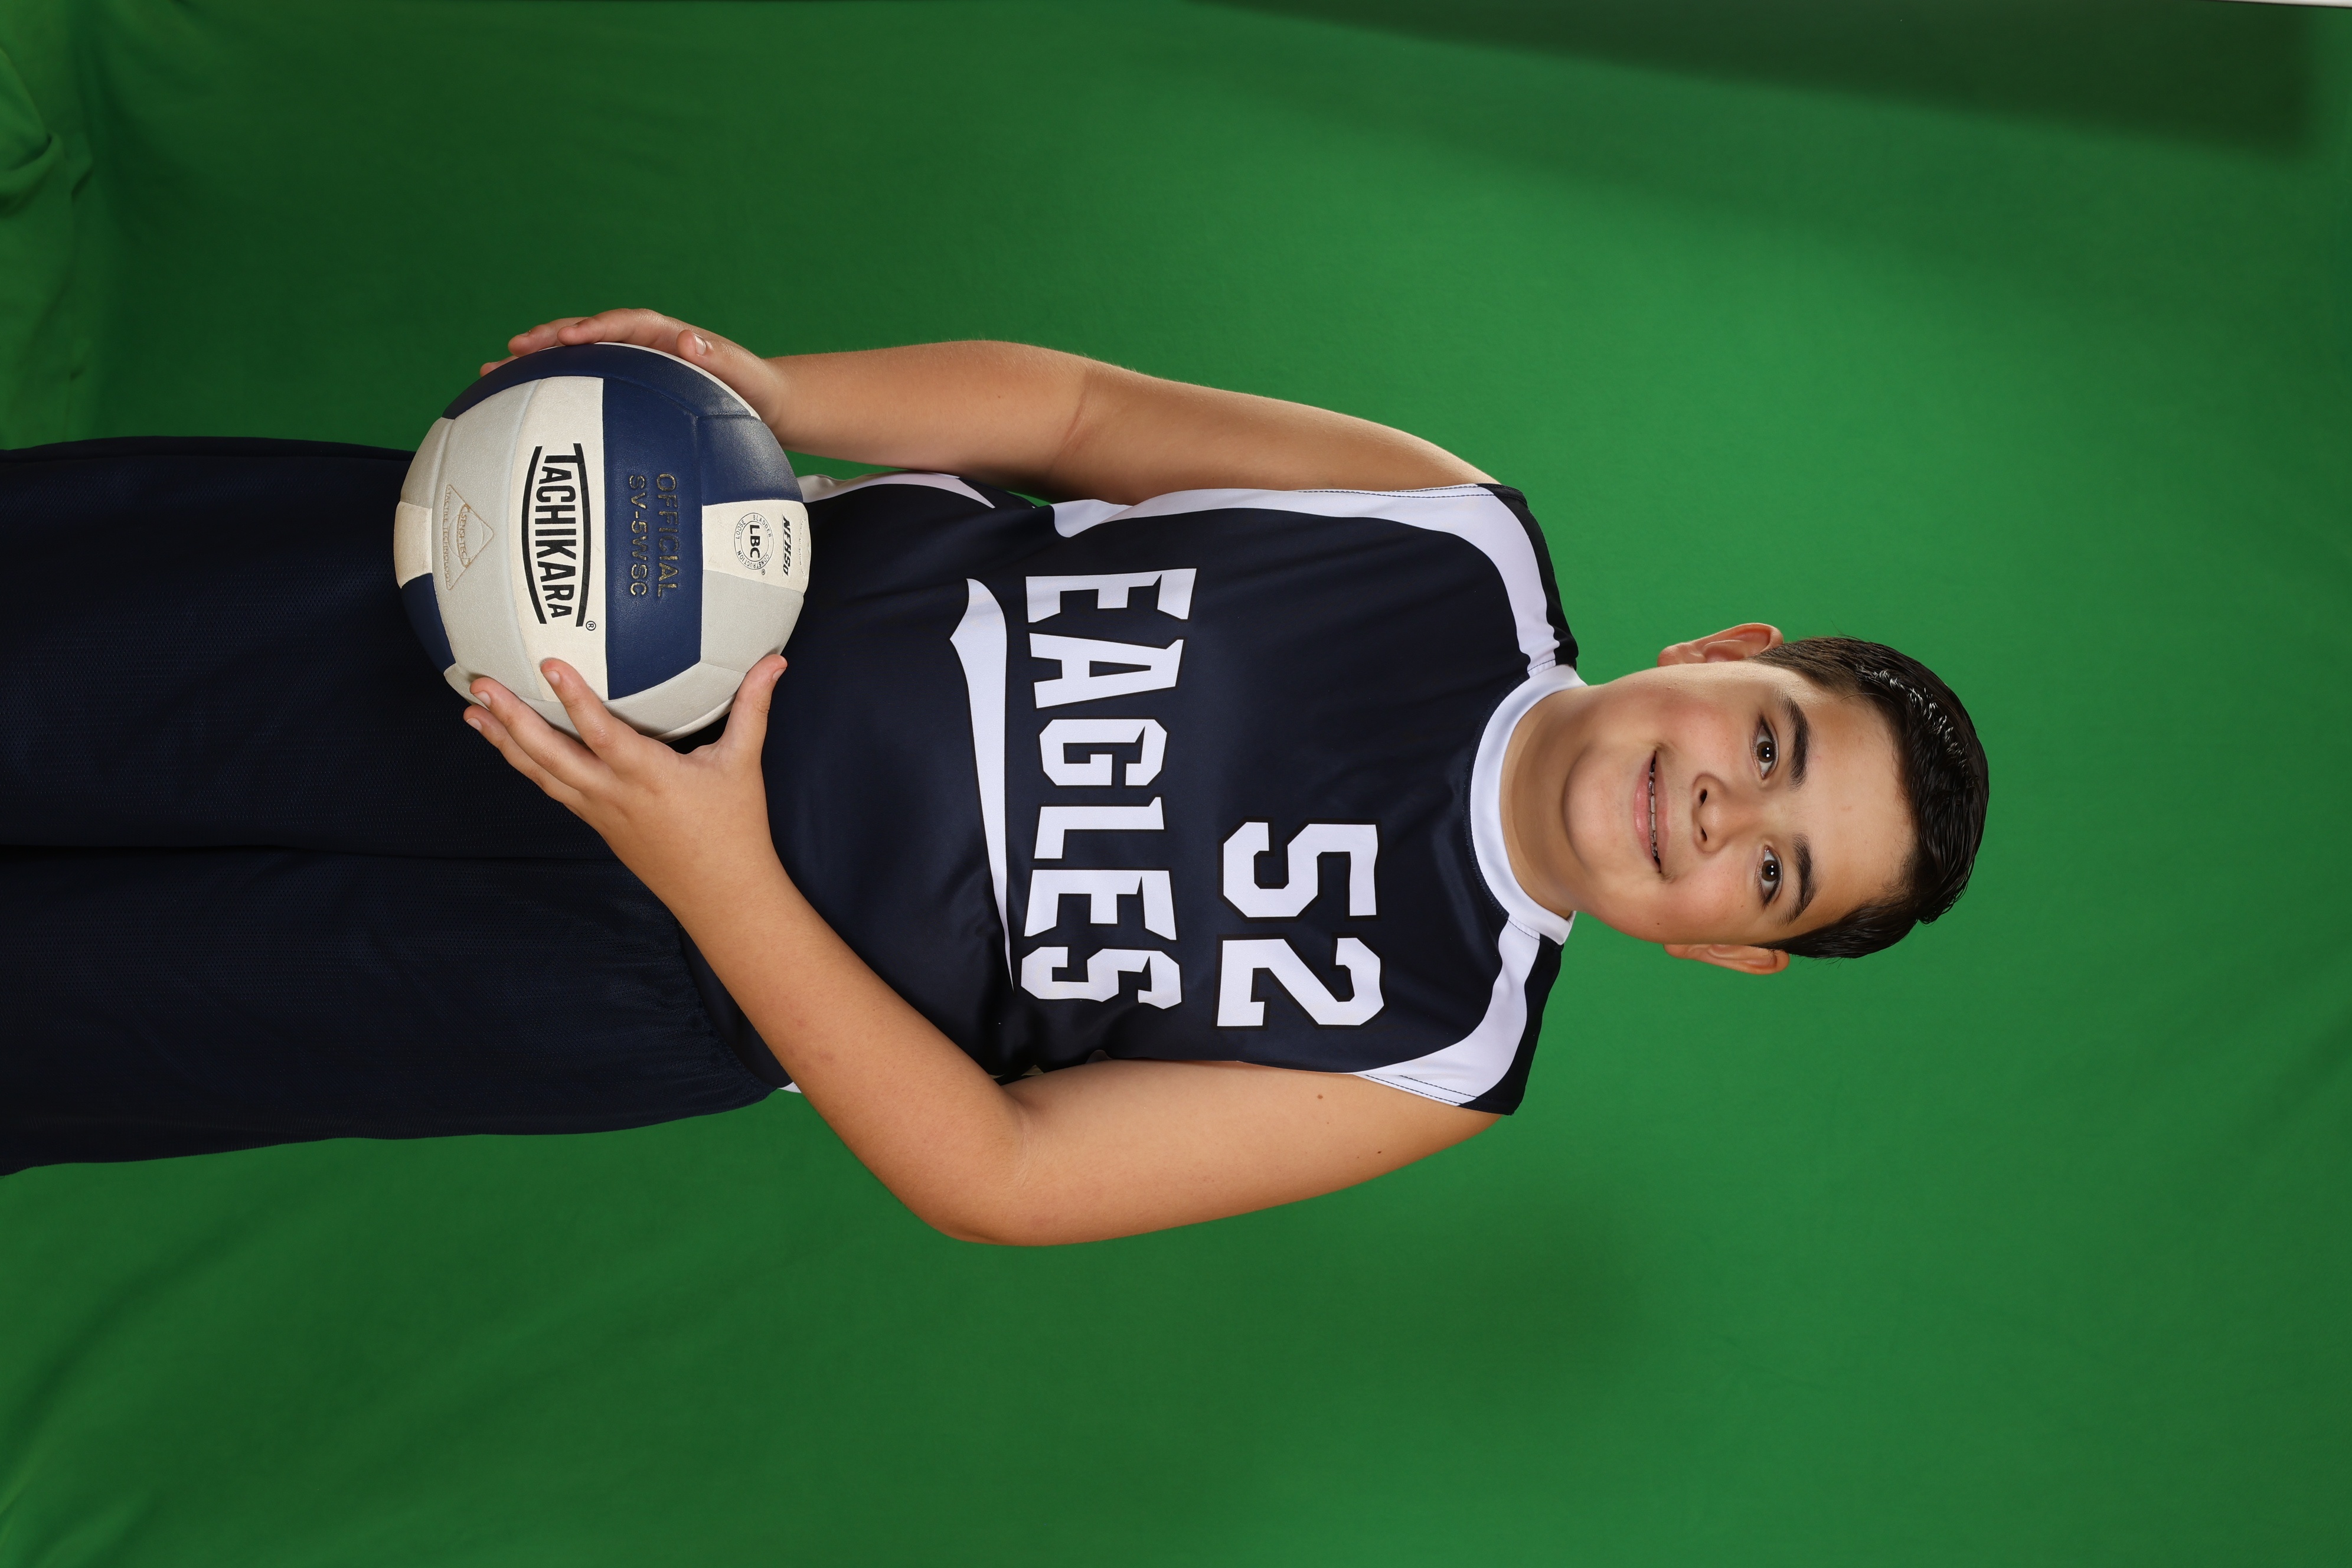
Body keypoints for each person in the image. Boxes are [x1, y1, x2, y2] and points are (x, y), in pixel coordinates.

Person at [0, 310, 1988, 1243]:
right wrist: (778, 398)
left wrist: (715, 873)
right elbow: (1081, 414)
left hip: (632, 968)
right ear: (1719, 655)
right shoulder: (1444, 533)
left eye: (1776, 871)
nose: (1724, 811)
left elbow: (1008, 1171)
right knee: (63, 642)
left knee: (75, 1004)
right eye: (1773, 746)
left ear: (1726, 951)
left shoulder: (1438, 1052)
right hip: (610, 620)